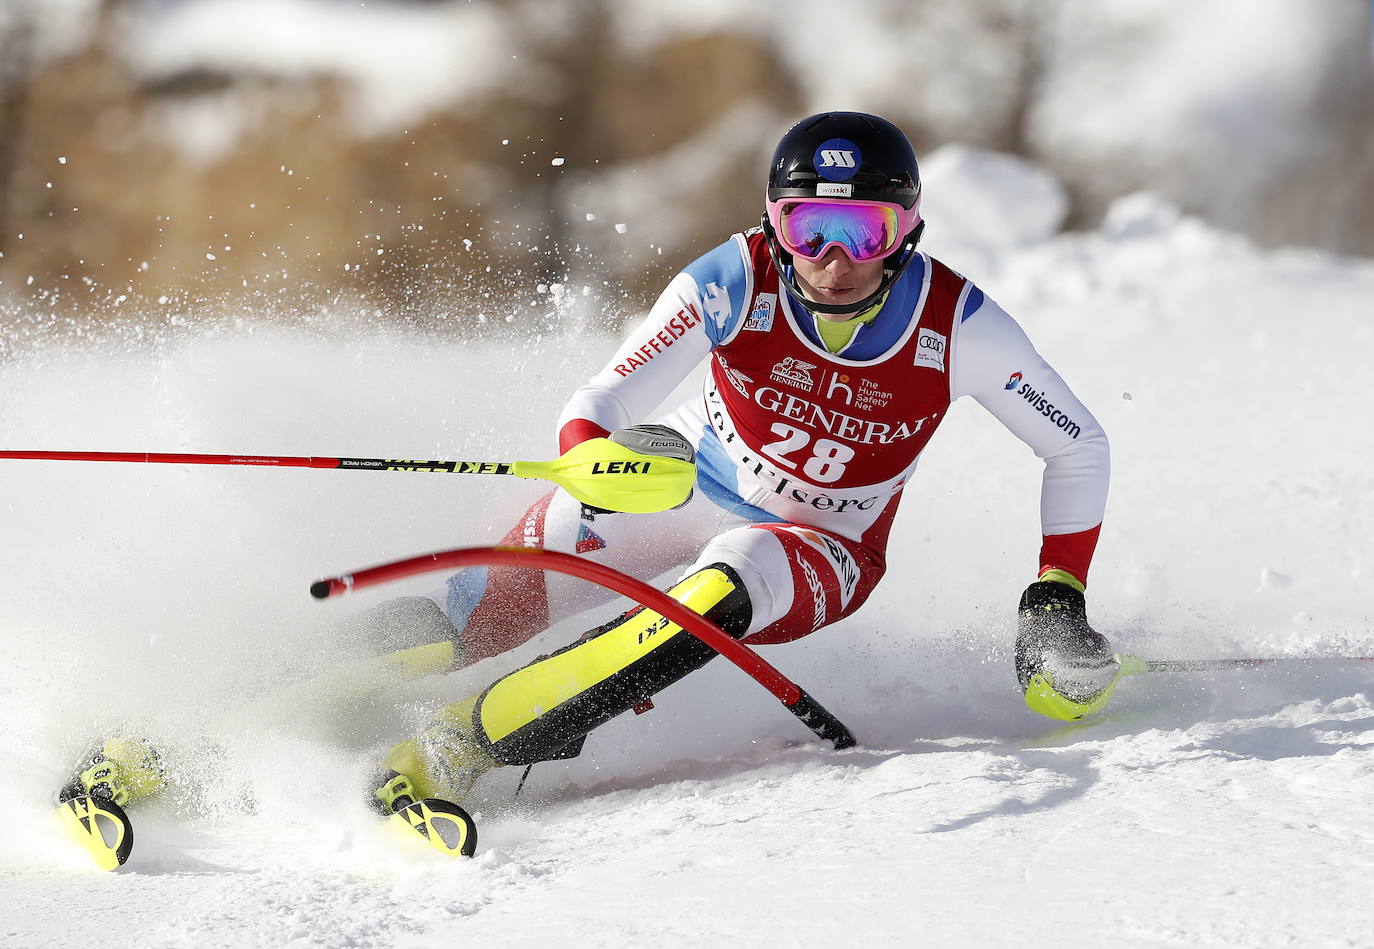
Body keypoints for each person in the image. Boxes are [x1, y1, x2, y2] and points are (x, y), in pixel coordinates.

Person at [65, 112, 1116, 841]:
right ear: (775, 224)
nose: (834, 258)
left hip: (822, 545)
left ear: (906, 233)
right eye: (810, 227)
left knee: (733, 575)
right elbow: (602, 398)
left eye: (865, 231)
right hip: (691, 481)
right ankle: (185, 735)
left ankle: (456, 753)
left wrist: (1055, 594)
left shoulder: (958, 325)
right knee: (471, 612)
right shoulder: (732, 279)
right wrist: (593, 460)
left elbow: (1077, 445)